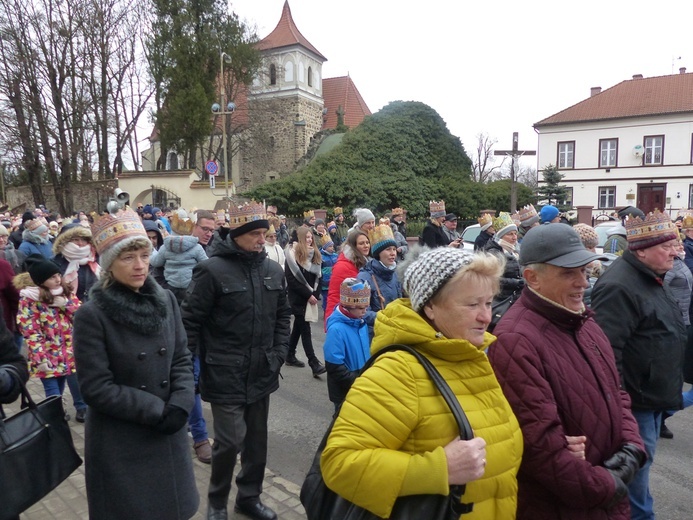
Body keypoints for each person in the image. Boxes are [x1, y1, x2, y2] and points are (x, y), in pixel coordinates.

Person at [321, 246, 523, 519]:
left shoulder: (471, 355)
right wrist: (438, 469)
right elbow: (339, 463)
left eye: (488, 303)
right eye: (472, 304)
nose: (486, 316)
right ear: (429, 305)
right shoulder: (399, 372)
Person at [489, 224, 646, 519]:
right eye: (568, 273)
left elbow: (617, 394)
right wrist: (606, 486)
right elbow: (541, 449)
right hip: (566, 505)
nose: (583, 283)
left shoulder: (584, 323)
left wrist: (631, 451)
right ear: (531, 278)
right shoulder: (516, 340)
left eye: (584, 271)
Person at [72, 209, 198, 519]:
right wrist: (157, 410)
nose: (140, 265)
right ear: (109, 264)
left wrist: (181, 404)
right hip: (122, 440)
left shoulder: (166, 299)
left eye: (144, 255)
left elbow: (181, 356)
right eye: (128, 258)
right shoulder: (92, 315)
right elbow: (96, 388)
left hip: (168, 433)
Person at [182, 201, 290, 520]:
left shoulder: (271, 268)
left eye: (264, 233)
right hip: (224, 372)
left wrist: (280, 352)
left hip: (262, 372)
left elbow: (283, 315)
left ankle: (249, 497)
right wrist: (186, 368)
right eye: (255, 233)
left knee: (256, 443)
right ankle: (217, 502)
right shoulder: (211, 270)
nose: (262, 239)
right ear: (238, 234)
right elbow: (190, 321)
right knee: (229, 443)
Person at [591, 210, 685, 520]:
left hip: (651, 396)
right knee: (636, 482)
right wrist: (619, 405)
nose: (675, 251)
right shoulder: (620, 285)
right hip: (635, 403)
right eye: (666, 246)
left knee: (640, 475)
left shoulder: (651, 276)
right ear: (641, 249)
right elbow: (606, 352)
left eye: (675, 244)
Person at [14, 256, 80, 406]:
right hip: (46, 353)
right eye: (52, 277)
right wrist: (40, 357)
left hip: (68, 352)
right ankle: (55, 415)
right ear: (40, 281)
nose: (57, 279)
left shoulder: (65, 292)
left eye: (58, 275)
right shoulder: (29, 300)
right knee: (52, 389)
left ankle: (60, 412)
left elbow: (81, 317)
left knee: (62, 382)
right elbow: (30, 330)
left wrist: (66, 304)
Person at [660, 234, 693, 438]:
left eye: (677, 243)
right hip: (676, 322)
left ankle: (662, 412)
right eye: (673, 244)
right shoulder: (671, 267)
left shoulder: (680, 262)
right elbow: (662, 287)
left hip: (686, 322)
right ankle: (661, 412)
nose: (677, 247)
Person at [283, 226, 326, 376]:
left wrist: (315, 293)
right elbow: (291, 280)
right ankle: (314, 363)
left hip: (311, 297)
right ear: (300, 239)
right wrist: (308, 294)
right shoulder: (291, 255)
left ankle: (289, 355)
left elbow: (319, 277)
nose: (309, 240)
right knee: (305, 329)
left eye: (311, 237)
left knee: (299, 327)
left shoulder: (315, 254)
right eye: (306, 237)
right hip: (297, 298)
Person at [323, 278, 370, 411]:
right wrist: (356, 381)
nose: (365, 311)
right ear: (348, 307)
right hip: (345, 388)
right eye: (361, 308)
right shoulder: (336, 330)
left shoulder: (360, 323)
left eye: (366, 307)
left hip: (361, 383)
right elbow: (334, 366)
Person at [357, 224, 402, 338]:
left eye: (394, 249)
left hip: (395, 331)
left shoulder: (396, 273)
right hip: (375, 334)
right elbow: (361, 312)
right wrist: (385, 318)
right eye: (388, 249)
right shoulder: (364, 277)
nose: (393, 253)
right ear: (378, 254)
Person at [324, 230, 370, 325]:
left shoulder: (366, 262)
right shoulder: (343, 266)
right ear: (354, 246)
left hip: (359, 316)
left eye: (367, 242)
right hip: (345, 319)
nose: (366, 245)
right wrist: (331, 322)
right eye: (361, 243)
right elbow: (335, 295)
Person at [150, 232, 208, 304]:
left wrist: (151, 253)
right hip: (190, 287)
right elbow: (206, 265)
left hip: (171, 285)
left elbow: (156, 262)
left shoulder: (165, 247)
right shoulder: (197, 248)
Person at [484, 212, 524, 301]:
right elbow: (492, 279)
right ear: (501, 236)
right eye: (510, 234)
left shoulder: (515, 250)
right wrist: (517, 282)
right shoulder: (493, 253)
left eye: (515, 233)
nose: (514, 237)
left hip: (516, 297)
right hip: (502, 300)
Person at [319, 237, 338, 311]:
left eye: (332, 246)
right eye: (329, 246)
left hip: (333, 281)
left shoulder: (335, 256)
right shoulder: (321, 257)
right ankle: (326, 310)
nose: (331, 248)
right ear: (325, 247)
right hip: (325, 282)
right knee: (326, 298)